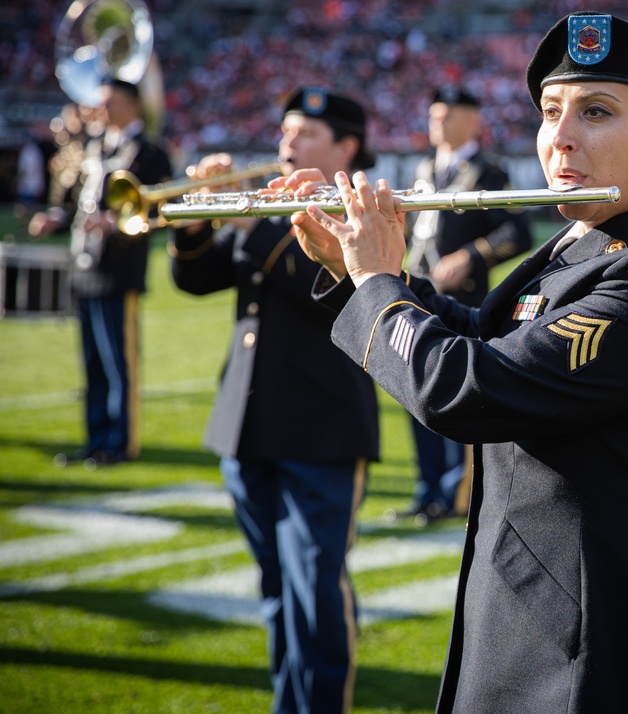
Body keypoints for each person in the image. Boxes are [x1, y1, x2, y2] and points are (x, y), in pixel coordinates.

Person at [288, 13, 628, 711]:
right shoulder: (587, 238)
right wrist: (354, 273)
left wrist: (381, 286)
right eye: (550, 111)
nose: (560, 137)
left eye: (596, 112)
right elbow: (482, 335)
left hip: (609, 651)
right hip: (536, 622)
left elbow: (476, 391)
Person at [170, 87, 380, 713]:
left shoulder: (359, 207)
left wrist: (250, 226)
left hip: (320, 426)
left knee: (313, 591)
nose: (287, 144)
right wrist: (199, 220)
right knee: (274, 589)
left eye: (306, 134)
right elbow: (196, 279)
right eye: (286, 131)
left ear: (345, 146)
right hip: (246, 420)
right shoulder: (268, 203)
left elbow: (323, 290)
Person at [403, 85, 534, 522]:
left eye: (449, 114)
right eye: (434, 113)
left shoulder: (488, 173)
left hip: (464, 304)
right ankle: (427, 490)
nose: (437, 121)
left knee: (456, 397)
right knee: (417, 395)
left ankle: (456, 494)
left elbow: (517, 234)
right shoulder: (425, 167)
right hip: (421, 298)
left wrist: (471, 255)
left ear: (473, 121)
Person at [30, 79, 172, 467]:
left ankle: (120, 442)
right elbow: (79, 204)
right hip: (85, 267)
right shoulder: (94, 146)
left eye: (107, 103)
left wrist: (116, 222)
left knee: (118, 363)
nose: (99, 110)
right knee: (92, 362)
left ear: (130, 105)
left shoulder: (151, 151)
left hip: (118, 270)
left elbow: (163, 208)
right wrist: (55, 219)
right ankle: (95, 439)